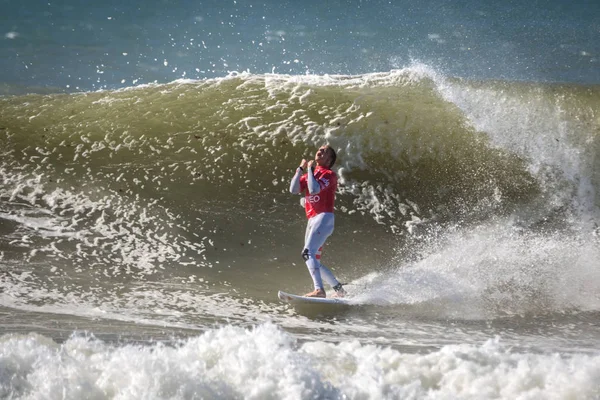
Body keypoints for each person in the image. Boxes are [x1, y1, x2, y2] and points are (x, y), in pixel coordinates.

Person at [289, 145, 346, 298]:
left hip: (324, 218)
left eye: (324, 151)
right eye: (319, 149)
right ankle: (339, 290)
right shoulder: (310, 174)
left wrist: (309, 170)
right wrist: (300, 170)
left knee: (308, 254)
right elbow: (293, 190)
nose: (319, 151)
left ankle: (319, 290)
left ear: (329, 159)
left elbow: (314, 190)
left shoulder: (329, 175)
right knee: (312, 258)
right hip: (312, 219)